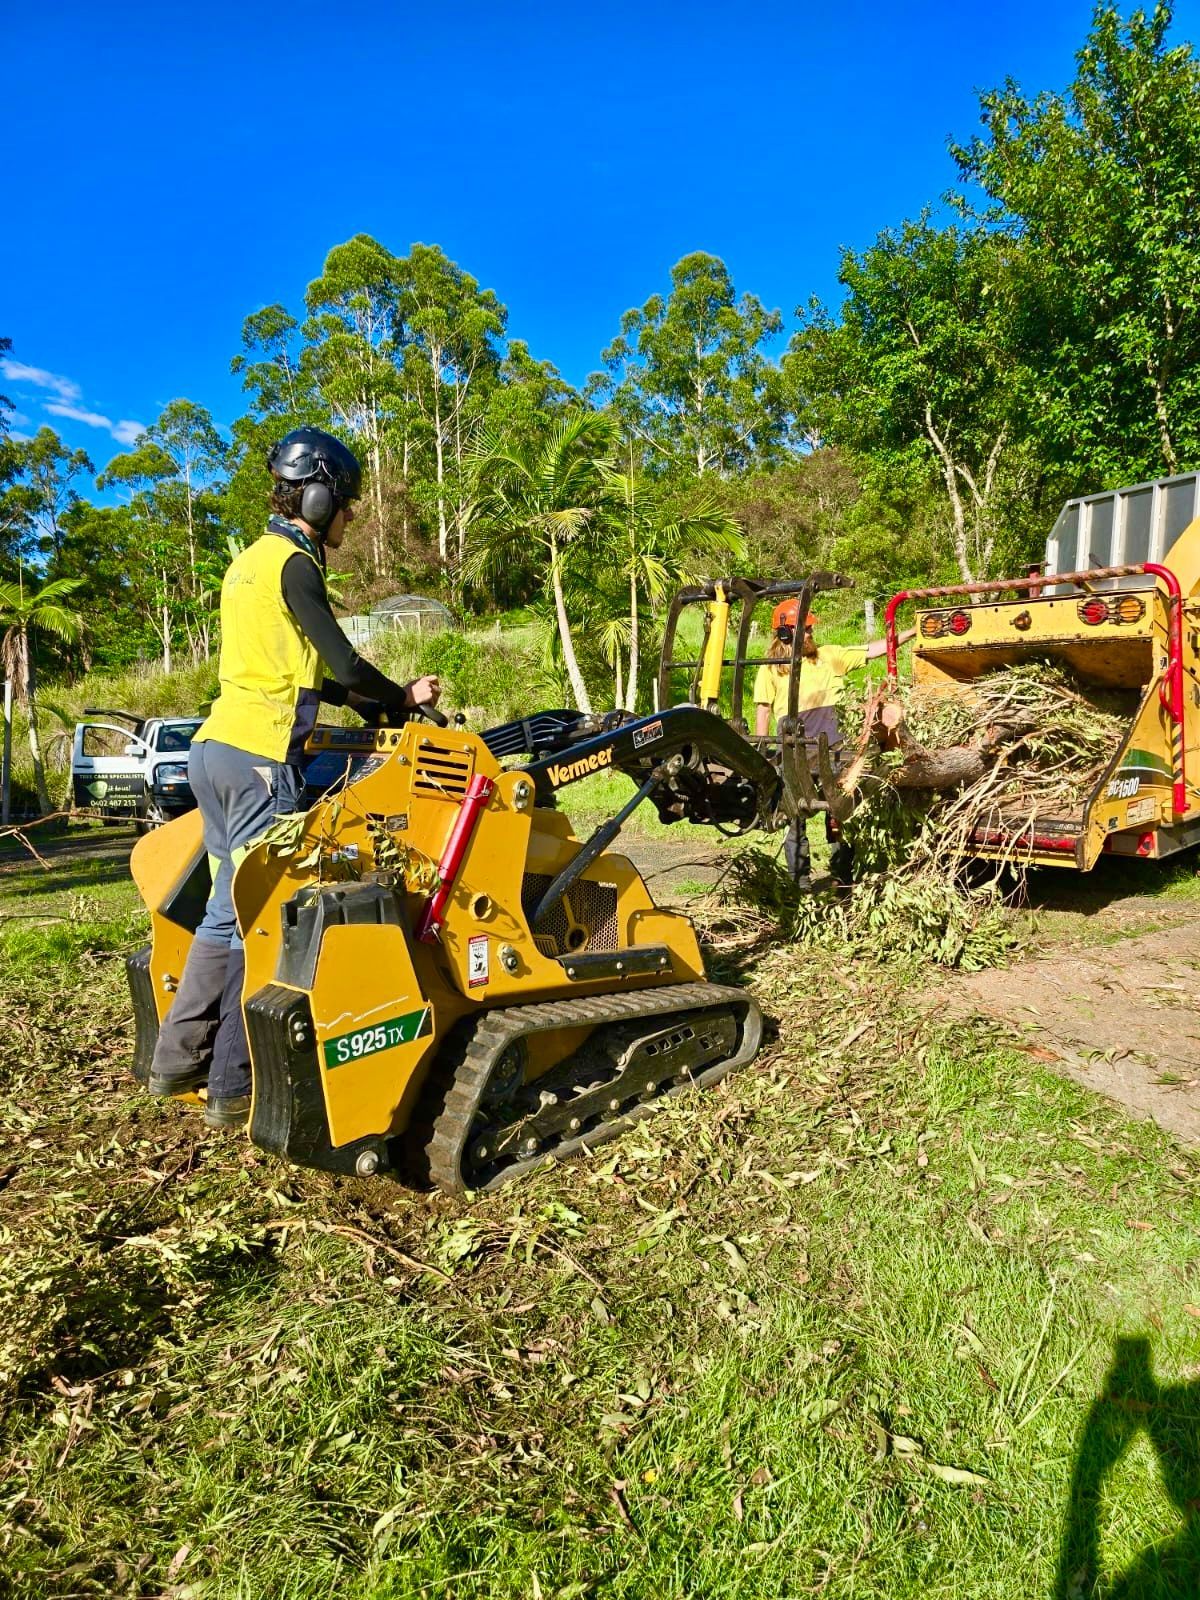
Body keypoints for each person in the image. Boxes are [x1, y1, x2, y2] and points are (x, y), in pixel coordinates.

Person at [146, 426, 441, 1129]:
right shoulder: (295, 563)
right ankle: (232, 1087)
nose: (349, 517)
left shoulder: (248, 562)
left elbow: (313, 675)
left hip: (214, 751)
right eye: (344, 504)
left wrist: (378, 702)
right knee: (267, 923)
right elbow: (343, 664)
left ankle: (175, 1060)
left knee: (226, 913)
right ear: (315, 495)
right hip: (257, 762)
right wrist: (403, 697)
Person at [753, 599, 914, 887]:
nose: (811, 634)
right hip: (794, 750)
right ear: (785, 633)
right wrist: (763, 748)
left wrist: (911, 632)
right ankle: (798, 882)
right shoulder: (771, 668)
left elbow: (874, 650)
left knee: (839, 811)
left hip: (834, 749)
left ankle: (843, 876)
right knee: (794, 815)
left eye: (812, 629)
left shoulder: (829, 656)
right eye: (806, 629)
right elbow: (763, 709)